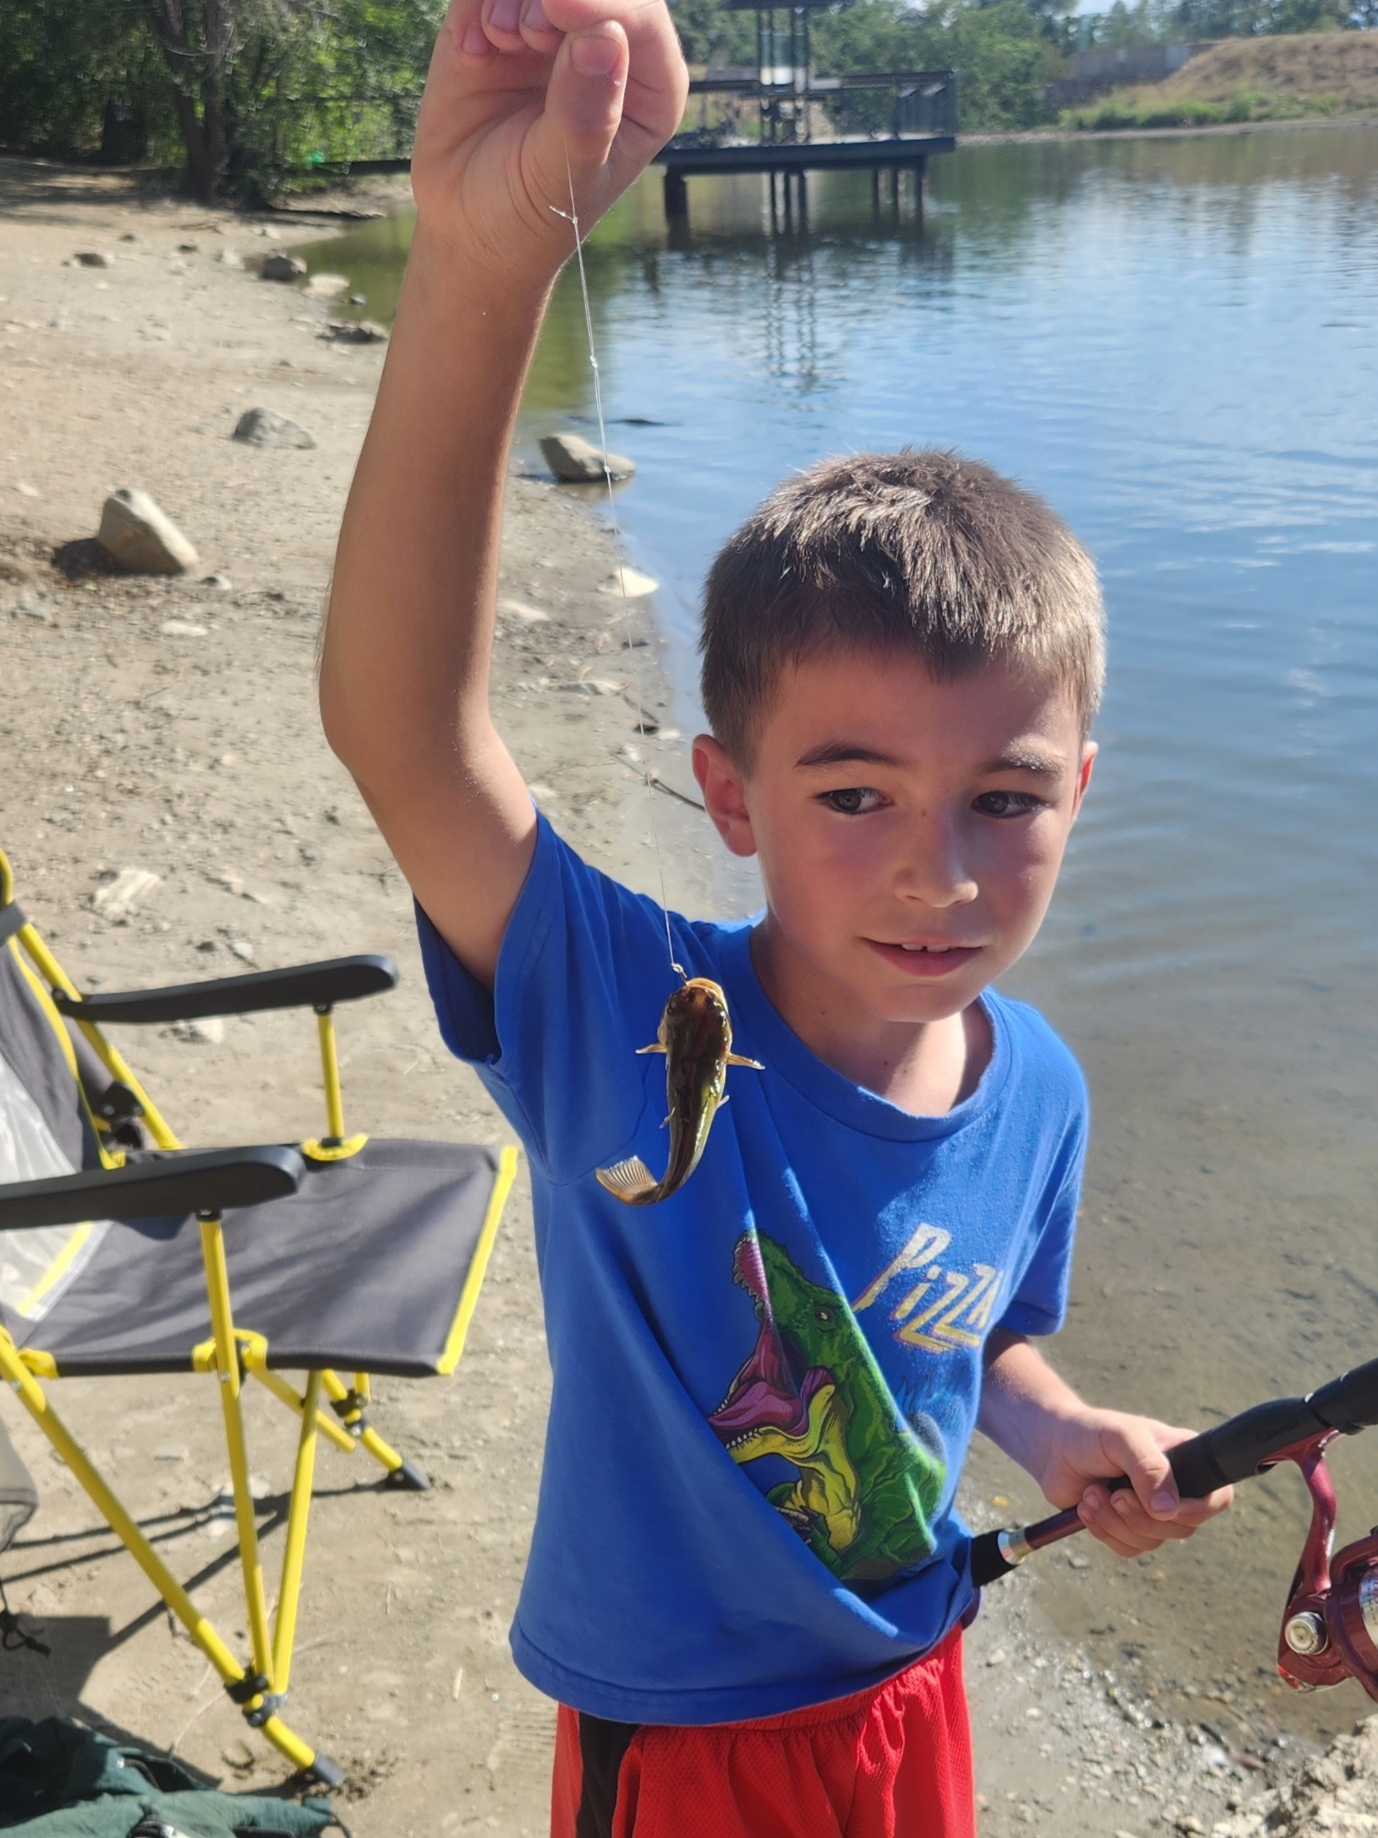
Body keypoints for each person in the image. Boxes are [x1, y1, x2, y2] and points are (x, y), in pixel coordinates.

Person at [319, 0, 1232, 1830]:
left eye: (1004, 798)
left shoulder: (1040, 1087)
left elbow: (970, 1341)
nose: (937, 873)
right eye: (853, 793)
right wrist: (493, 257)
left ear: (1079, 790)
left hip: (911, 1677)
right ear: (728, 798)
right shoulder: (622, 1002)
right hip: (684, 1738)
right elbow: (400, 727)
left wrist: (1061, 1430)